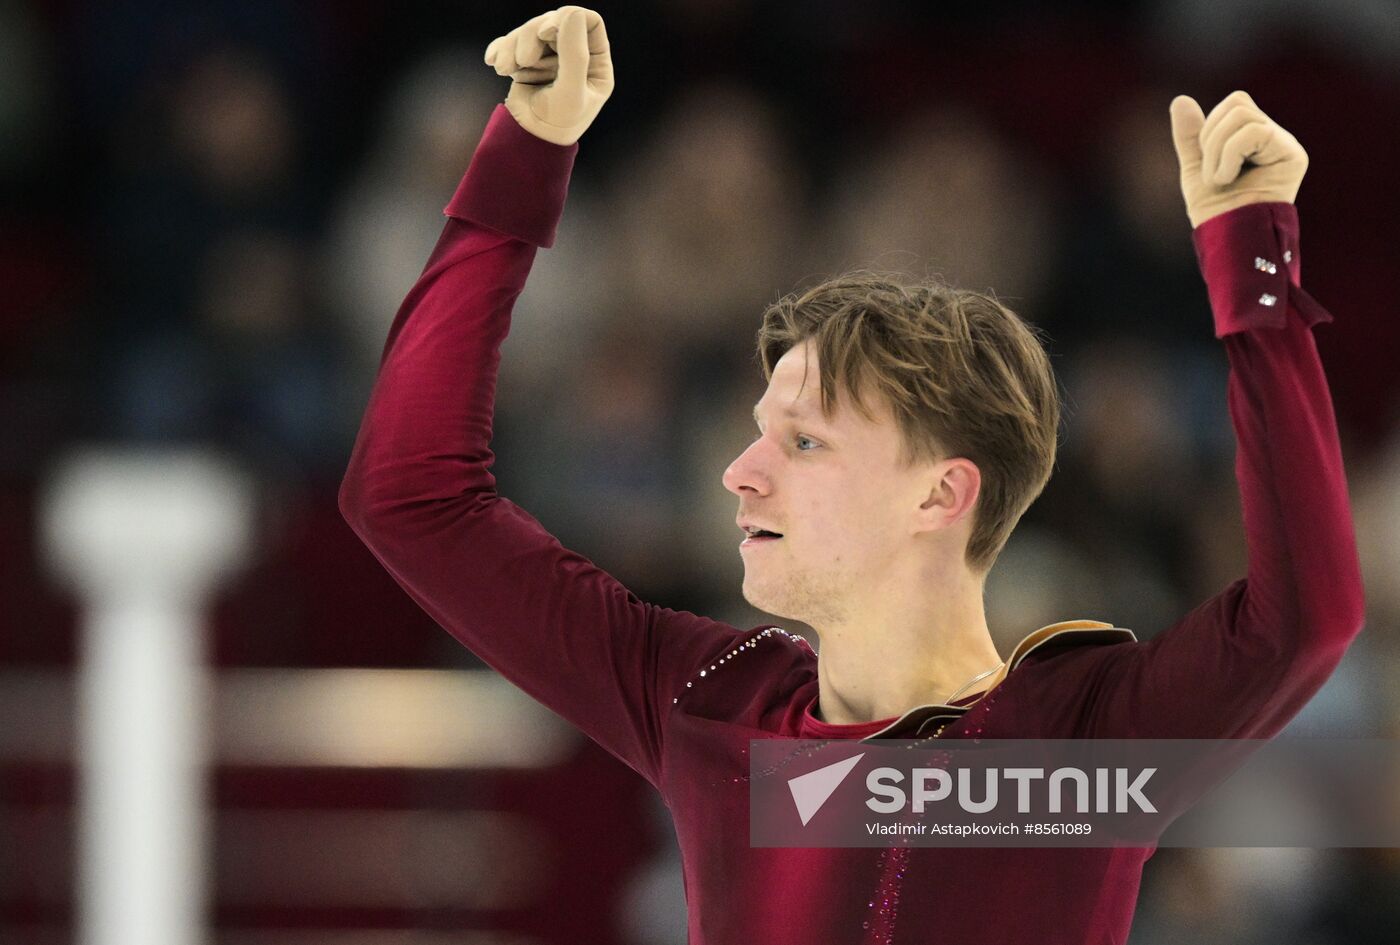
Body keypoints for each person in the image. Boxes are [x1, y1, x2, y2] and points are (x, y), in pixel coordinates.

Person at [338, 6, 1365, 941]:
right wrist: (525, 152)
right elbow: (409, 498)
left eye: (804, 441)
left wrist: (1255, 271)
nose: (738, 473)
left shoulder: (1077, 750)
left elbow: (1302, 617)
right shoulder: (703, 701)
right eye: (758, 430)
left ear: (939, 494)